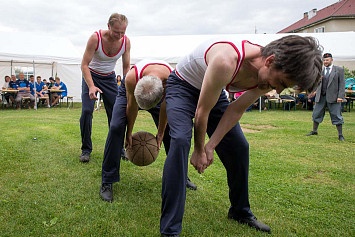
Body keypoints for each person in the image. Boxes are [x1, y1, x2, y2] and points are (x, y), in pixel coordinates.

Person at [159, 35, 322, 236]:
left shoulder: (267, 74)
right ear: (269, 61)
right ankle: (170, 230)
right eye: (280, 82)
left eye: (283, 87)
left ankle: (240, 211)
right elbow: (202, 112)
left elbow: (235, 110)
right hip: (183, 86)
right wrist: (200, 149)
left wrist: (211, 146)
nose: (278, 89)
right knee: (181, 142)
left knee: (239, 147)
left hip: (213, 89)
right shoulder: (227, 60)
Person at [100, 59, 197, 202]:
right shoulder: (132, 79)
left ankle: (181, 176)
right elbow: (131, 106)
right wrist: (128, 133)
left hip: (158, 91)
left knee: (172, 132)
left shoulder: (172, 81)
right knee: (116, 127)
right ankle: (107, 180)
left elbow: (165, 108)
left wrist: (161, 133)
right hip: (131, 93)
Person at [79, 13, 131, 163]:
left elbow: (126, 66)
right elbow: (84, 65)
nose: (119, 35)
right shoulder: (96, 38)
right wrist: (91, 86)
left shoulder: (126, 42)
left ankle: (119, 148)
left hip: (109, 78)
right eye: (116, 32)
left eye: (123, 32)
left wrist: (126, 86)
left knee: (116, 114)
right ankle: (86, 149)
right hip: (91, 75)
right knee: (87, 111)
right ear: (108, 27)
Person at [306, 53, 345, 141]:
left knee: (337, 116)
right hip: (321, 96)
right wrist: (313, 92)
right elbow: (316, 83)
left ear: (331, 60)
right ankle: (314, 131)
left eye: (327, 60)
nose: (325, 62)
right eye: (324, 60)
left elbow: (342, 84)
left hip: (334, 97)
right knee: (316, 114)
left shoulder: (339, 70)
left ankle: (340, 135)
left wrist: (340, 96)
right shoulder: (320, 71)